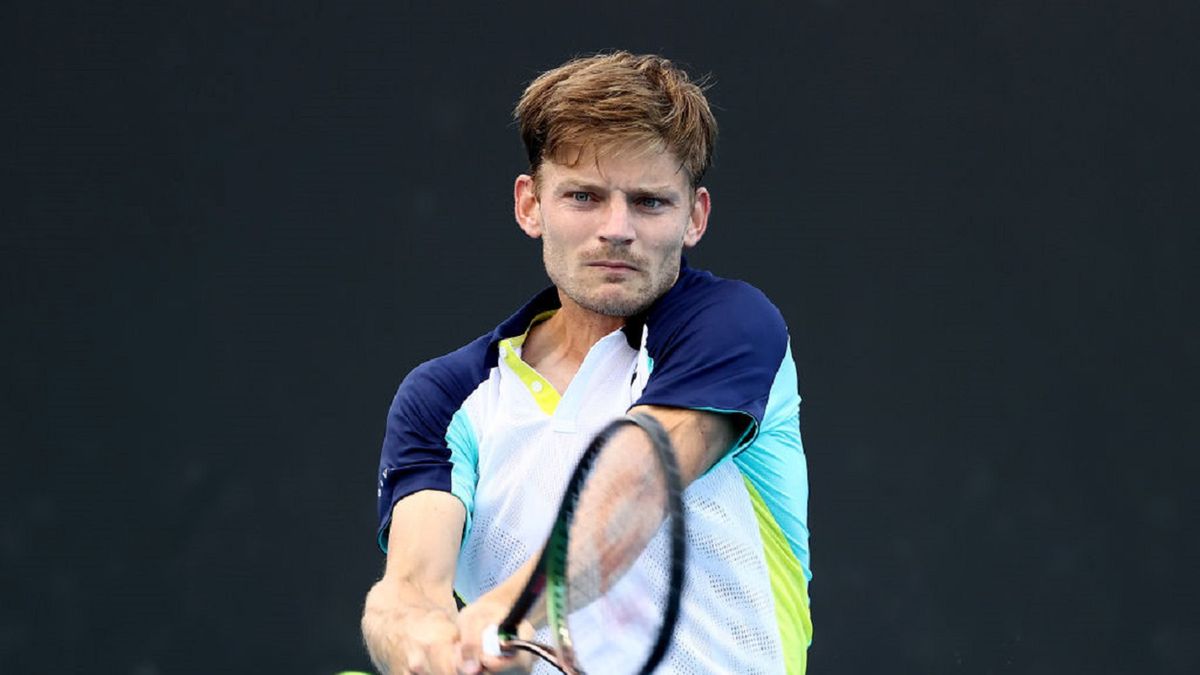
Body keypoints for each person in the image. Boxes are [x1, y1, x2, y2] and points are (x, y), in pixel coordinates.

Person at [361, 51, 812, 674]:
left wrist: (505, 616)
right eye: (584, 196)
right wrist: (433, 650)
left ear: (695, 217)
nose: (617, 228)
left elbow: (633, 490)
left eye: (650, 202)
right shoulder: (445, 398)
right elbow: (409, 589)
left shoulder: (733, 327)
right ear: (530, 205)